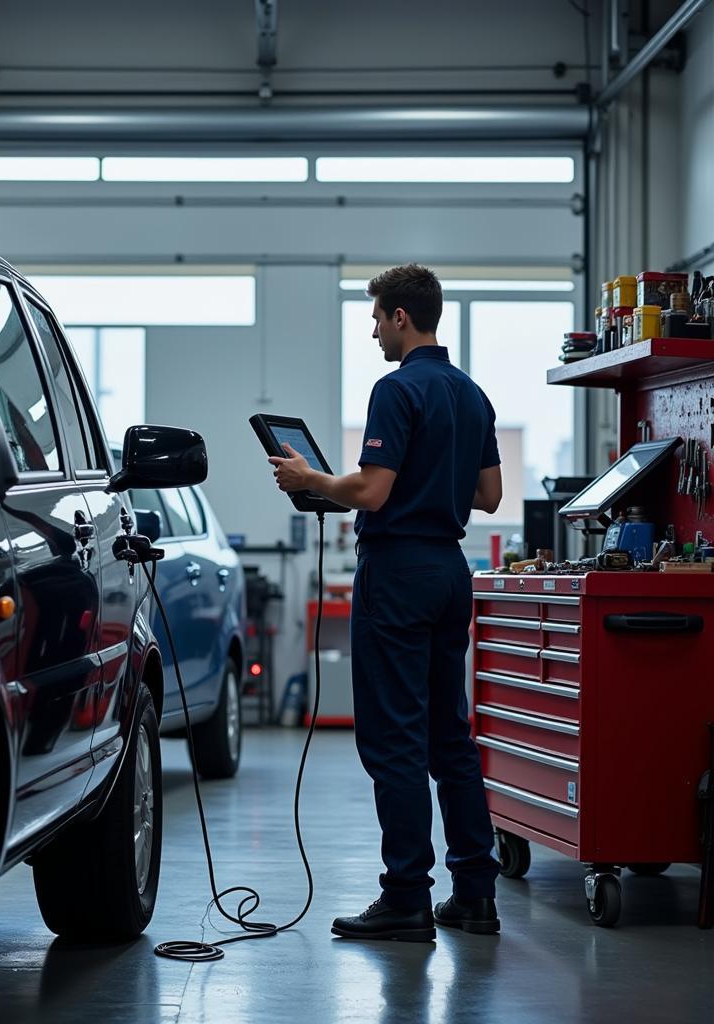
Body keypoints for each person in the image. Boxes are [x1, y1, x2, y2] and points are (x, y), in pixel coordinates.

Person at [269, 264, 503, 942]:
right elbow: (488, 496)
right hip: (450, 570)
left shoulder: (397, 389)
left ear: (402, 316)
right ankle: (474, 894)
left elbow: (371, 492)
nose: (373, 332)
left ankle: (405, 899)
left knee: (396, 739)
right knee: (449, 738)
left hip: (398, 571)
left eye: (376, 319)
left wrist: (309, 477)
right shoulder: (471, 393)